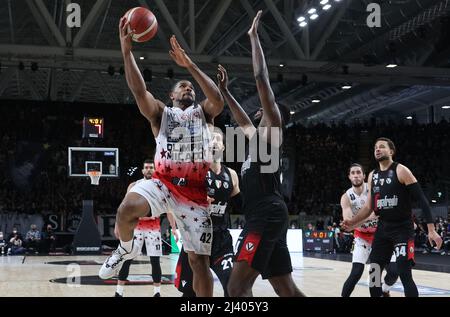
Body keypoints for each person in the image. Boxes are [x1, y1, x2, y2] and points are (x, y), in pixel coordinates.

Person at [99, 15, 224, 298]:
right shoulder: (160, 114)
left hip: (194, 194)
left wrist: (189, 65)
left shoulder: (204, 114)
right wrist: (126, 51)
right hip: (163, 182)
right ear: (171, 95)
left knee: (198, 262)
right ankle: (126, 248)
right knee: (126, 209)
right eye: (182, 87)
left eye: (190, 87)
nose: (188, 89)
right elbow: (138, 89)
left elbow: (217, 99)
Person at [217, 11, 304, 297]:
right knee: (285, 289)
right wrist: (225, 92)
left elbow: (260, 77)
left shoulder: (272, 129)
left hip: (266, 214)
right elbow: (242, 121)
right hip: (267, 214)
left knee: (237, 287)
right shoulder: (257, 141)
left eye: (263, 107)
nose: (257, 109)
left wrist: (254, 39)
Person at [342, 137, 442, 297]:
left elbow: (422, 200)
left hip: (402, 228)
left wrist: (431, 230)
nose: (377, 149)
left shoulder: (401, 170)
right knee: (374, 272)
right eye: (375, 147)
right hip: (383, 228)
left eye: (382, 147)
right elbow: (369, 207)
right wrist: (352, 222)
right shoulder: (372, 175)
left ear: (391, 151)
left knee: (403, 272)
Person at [174, 131, 242, 297]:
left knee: (233, 285)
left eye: (217, 139)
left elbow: (241, 204)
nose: (213, 142)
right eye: (209, 139)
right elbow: (176, 196)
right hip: (196, 238)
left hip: (221, 239)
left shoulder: (231, 175)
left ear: (223, 147)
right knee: (190, 292)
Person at [114, 160, 179, 297]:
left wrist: (174, 228)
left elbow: (169, 210)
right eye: (146, 168)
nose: (149, 170)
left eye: (151, 167)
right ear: (143, 170)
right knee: (127, 258)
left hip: (153, 229)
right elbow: (123, 207)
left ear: (155, 170)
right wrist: (117, 226)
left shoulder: (161, 186)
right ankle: (119, 292)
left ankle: (157, 292)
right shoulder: (134, 185)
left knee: (155, 261)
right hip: (135, 228)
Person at [340, 163, 397, 297]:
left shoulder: (374, 190)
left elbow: (376, 213)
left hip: (381, 237)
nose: (356, 175)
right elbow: (348, 224)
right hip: (361, 237)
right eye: (353, 173)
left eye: (358, 172)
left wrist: (357, 220)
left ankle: (385, 289)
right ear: (349, 177)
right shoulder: (346, 197)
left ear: (364, 176)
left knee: (394, 271)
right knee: (356, 273)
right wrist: (356, 222)